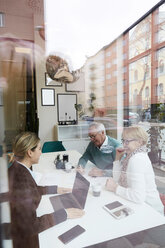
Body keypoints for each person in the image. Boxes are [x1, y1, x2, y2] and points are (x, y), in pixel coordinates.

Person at [8, 132, 84, 248]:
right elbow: (29, 226)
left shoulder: (17, 168)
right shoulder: (22, 181)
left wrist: (55, 189)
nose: (41, 152)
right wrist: (64, 213)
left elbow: (31, 190)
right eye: (39, 149)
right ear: (29, 152)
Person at [105, 126, 164, 215]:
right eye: (123, 140)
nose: (124, 144)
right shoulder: (131, 156)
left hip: (151, 212)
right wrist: (117, 158)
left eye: (127, 141)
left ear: (139, 142)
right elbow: (117, 179)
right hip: (140, 206)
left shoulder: (137, 159)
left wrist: (115, 188)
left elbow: (138, 197)